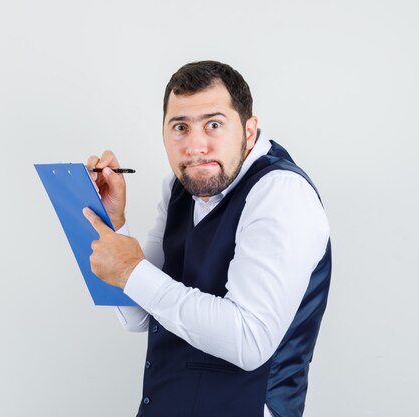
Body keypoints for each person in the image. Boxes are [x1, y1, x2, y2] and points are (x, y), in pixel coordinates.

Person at [82, 60, 331, 417]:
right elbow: (137, 316)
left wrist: (132, 271)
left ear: (248, 131)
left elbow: (250, 340)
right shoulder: (179, 188)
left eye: (213, 124)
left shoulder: (281, 193)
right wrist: (114, 223)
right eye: (180, 127)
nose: (195, 146)